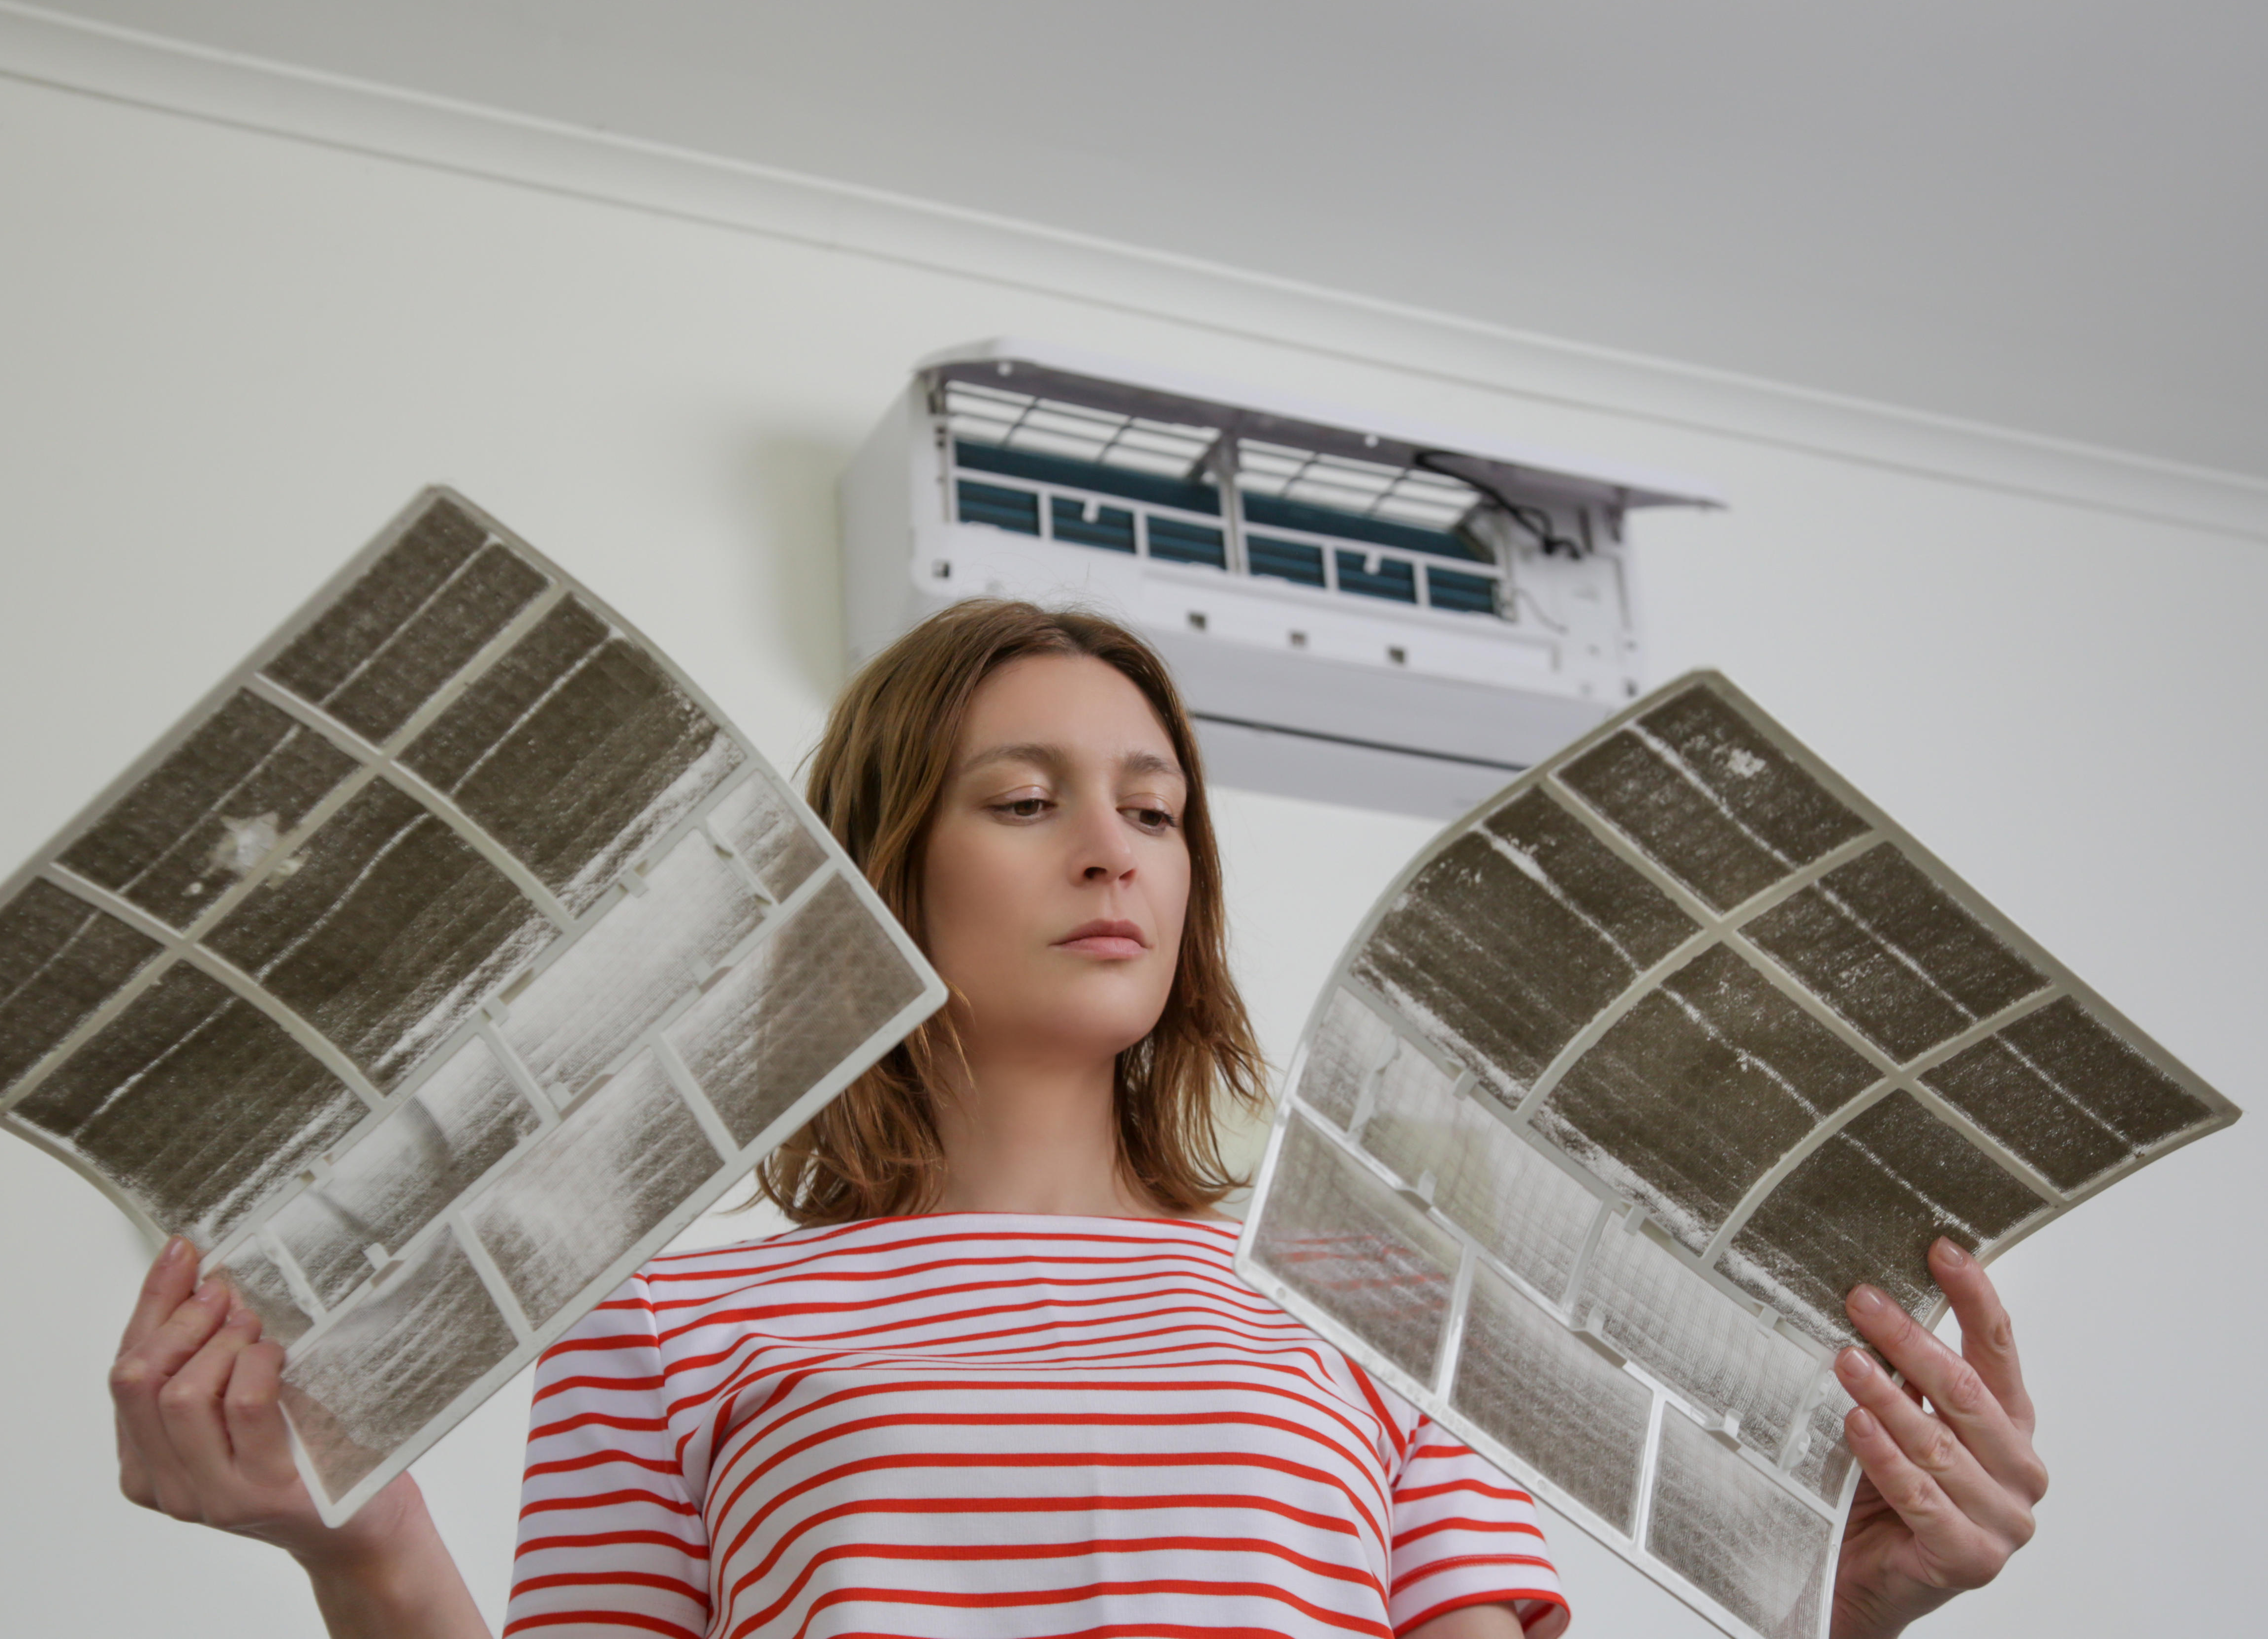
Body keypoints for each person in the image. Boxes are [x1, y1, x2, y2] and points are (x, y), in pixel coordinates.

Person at [107, 601, 2047, 1639]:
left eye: (1154, 807)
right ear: (880, 872)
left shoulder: (1380, 1283)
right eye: (1024, 802)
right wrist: (358, 1547)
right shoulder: (658, 1319)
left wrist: (1843, 1627)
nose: (1113, 849)